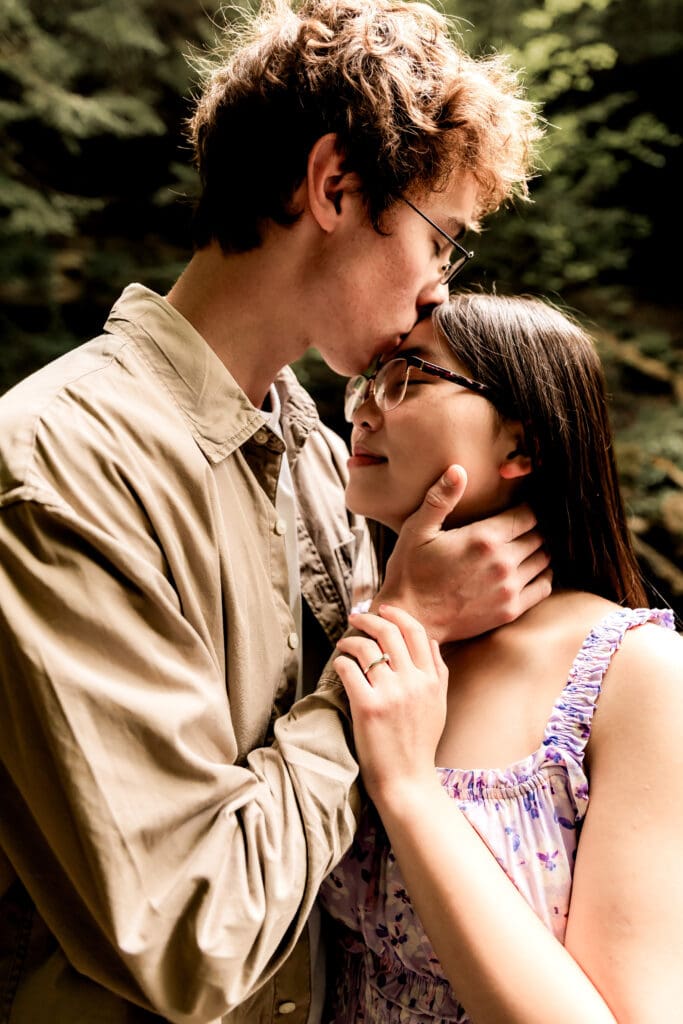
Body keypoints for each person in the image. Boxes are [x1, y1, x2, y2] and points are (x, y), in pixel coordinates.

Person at [0, 3, 550, 1023]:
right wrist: (399, 636)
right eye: (442, 239)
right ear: (334, 186)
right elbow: (190, 939)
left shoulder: (314, 450)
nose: (438, 294)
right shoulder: (55, 466)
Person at [323, 292, 683, 1023]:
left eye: (408, 379)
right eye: (368, 381)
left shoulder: (632, 672)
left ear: (522, 445)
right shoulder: (356, 631)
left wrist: (408, 787)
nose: (363, 409)